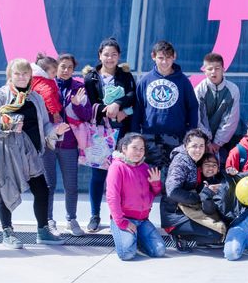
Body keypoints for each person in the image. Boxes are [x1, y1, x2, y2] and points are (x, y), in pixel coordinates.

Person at [0, 58, 71, 248]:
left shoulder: (35, 97)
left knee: (42, 191)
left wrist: (55, 131)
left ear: (31, 75)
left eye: (25, 73)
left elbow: (44, 125)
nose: (22, 77)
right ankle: (7, 232)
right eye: (18, 74)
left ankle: (43, 231)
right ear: (10, 76)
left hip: (31, 153)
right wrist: (9, 123)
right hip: (7, 152)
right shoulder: (1, 95)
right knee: (7, 189)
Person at [83, 37, 137, 232]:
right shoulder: (91, 77)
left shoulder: (125, 75)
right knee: (98, 174)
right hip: (100, 131)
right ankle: (94, 215)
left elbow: (132, 95)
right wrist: (106, 110)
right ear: (100, 55)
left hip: (122, 131)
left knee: (121, 174)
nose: (110, 58)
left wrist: (119, 105)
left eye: (114, 54)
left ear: (119, 56)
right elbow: (87, 104)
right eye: (106, 54)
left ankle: (118, 215)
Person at [42, 53, 91, 237]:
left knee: (71, 185)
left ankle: (71, 219)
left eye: (70, 67)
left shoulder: (79, 88)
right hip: (49, 142)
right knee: (49, 184)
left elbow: (87, 115)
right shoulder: (46, 86)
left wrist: (77, 105)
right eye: (62, 66)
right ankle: (48, 220)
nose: (65, 70)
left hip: (69, 143)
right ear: (56, 68)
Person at [135, 40, 199, 171]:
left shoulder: (183, 81)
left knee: (174, 174)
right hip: (150, 137)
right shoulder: (145, 80)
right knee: (150, 175)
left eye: (168, 57)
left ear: (174, 56)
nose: (164, 62)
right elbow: (138, 108)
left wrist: (191, 134)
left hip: (176, 137)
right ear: (153, 56)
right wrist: (135, 134)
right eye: (161, 58)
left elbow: (192, 107)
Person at [161, 129, 225, 252]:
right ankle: (180, 236)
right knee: (216, 235)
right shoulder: (181, 162)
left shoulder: (195, 160)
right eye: (194, 146)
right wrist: (200, 197)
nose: (198, 150)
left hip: (189, 210)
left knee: (221, 225)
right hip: (174, 215)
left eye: (201, 146)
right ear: (186, 146)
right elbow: (172, 191)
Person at [106, 133, 165, 261]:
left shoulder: (144, 167)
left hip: (142, 220)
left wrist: (155, 184)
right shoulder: (117, 167)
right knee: (127, 254)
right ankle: (126, 237)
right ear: (124, 148)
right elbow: (112, 197)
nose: (138, 152)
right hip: (124, 219)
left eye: (142, 149)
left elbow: (154, 193)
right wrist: (121, 222)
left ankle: (136, 239)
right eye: (134, 148)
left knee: (160, 251)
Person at [199, 170, 248, 261]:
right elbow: (209, 210)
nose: (210, 168)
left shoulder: (230, 176)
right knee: (231, 255)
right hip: (234, 225)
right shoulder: (204, 187)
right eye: (207, 165)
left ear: (218, 167)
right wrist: (207, 193)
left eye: (213, 164)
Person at [195, 52, 240, 165]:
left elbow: (231, 119)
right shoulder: (199, 90)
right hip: (203, 140)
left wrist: (218, 143)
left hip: (224, 142)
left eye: (217, 68)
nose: (213, 72)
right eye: (210, 69)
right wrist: (207, 141)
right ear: (204, 70)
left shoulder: (233, 89)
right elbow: (199, 118)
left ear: (223, 69)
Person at [30, 53, 62, 123]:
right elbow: (48, 95)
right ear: (43, 72)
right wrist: (55, 112)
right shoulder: (43, 83)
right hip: (47, 115)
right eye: (53, 72)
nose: (56, 74)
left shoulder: (36, 80)